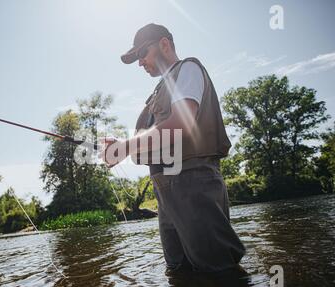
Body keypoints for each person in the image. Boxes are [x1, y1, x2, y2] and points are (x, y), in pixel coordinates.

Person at [101, 23, 245, 273]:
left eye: (142, 54)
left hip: (193, 183)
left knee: (219, 273)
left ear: (164, 45)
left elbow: (181, 123)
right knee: (180, 274)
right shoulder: (160, 89)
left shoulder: (187, 69)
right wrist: (121, 148)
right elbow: (158, 138)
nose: (140, 63)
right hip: (166, 192)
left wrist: (125, 147)